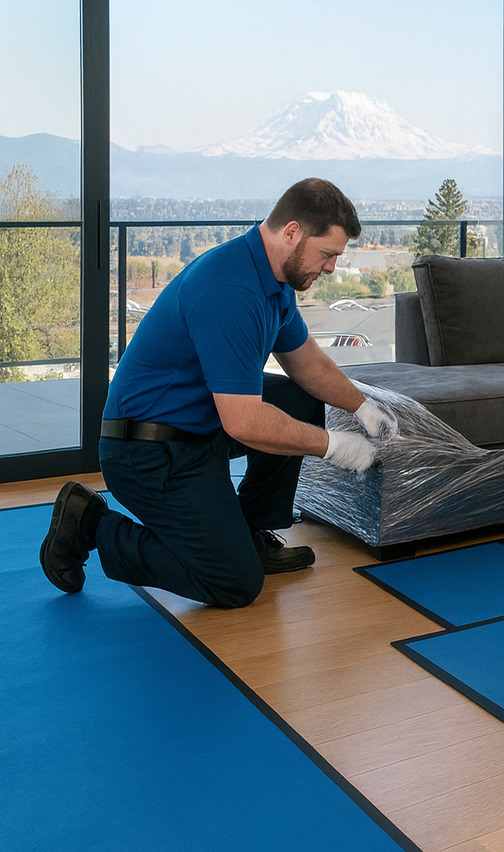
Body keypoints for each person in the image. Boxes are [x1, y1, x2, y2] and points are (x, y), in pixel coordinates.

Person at [39, 178, 395, 608]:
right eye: (329, 254)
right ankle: (89, 521)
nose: (332, 268)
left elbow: (307, 363)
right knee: (234, 582)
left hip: (197, 429)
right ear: (293, 233)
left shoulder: (273, 280)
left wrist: (363, 405)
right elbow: (243, 422)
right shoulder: (232, 290)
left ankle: (249, 530)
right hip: (145, 452)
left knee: (296, 397)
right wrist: (334, 445)